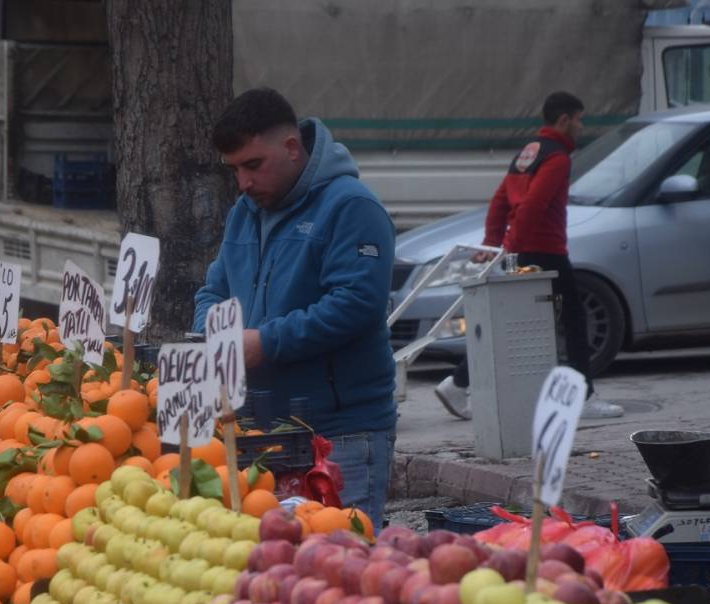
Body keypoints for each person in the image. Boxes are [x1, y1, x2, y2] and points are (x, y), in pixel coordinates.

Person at [193, 88, 397, 527]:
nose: (243, 183)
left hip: (339, 431)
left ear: (291, 148)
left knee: (342, 564)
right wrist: (212, 332)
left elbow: (357, 304)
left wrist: (265, 342)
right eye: (234, 170)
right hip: (259, 432)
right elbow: (213, 290)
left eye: (253, 165)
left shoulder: (352, 207)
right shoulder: (244, 212)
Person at [434, 92, 623, 421]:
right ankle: (584, 396)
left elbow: (500, 201)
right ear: (563, 120)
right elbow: (534, 204)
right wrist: (509, 247)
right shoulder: (557, 158)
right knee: (574, 323)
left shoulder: (529, 152)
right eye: (579, 119)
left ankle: (457, 382)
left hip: (524, 249)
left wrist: (493, 243)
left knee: (508, 324)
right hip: (546, 252)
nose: (581, 126)